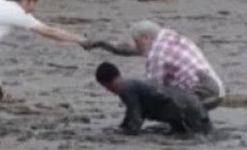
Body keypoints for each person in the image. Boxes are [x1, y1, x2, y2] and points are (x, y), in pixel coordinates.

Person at [85, 20, 225, 110]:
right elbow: (131, 50)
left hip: (203, 94)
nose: (136, 46)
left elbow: (152, 89)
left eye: (137, 41)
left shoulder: (158, 54)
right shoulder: (168, 36)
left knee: (157, 100)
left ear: (145, 38)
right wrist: (103, 44)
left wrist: (129, 95)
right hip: (217, 89)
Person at [94, 62, 211, 136]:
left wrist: (125, 135)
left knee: (199, 138)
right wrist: (122, 128)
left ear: (106, 84)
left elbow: (135, 116)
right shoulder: (132, 85)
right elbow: (134, 113)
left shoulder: (125, 89)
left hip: (185, 109)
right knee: (202, 135)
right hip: (188, 104)